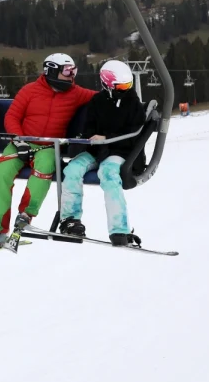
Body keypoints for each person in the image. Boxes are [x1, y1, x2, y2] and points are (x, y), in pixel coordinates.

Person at [0, 53, 96, 251]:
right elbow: (12, 117)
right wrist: (19, 140)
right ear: (51, 71)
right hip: (21, 143)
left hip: (49, 146)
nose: (72, 75)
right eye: (67, 71)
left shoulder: (75, 93)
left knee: (44, 168)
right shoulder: (30, 91)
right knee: (1, 176)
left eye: (73, 70)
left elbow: (102, 98)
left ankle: (26, 214)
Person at [57, 60, 147, 246]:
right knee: (72, 169)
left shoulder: (133, 104)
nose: (125, 89)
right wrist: (85, 139)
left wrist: (107, 137)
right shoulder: (97, 102)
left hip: (121, 151)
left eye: (128, 85)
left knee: (108, 173)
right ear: (107, 84)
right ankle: (70, 220)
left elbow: (134, 134)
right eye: (120, 86)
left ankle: (119, 230)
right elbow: (89, 127)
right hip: (97, 150)